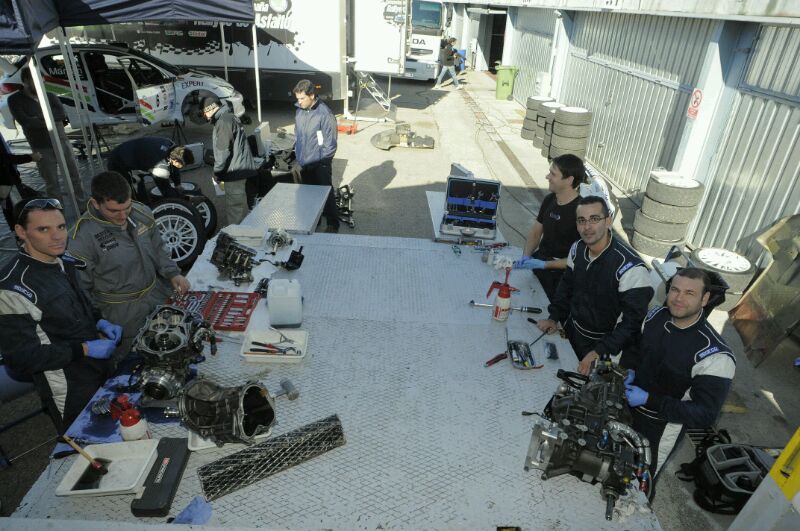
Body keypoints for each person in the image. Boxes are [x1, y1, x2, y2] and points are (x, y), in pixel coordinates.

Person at [0, 198, 121, 432]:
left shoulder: (63, 260)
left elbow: (81, 301)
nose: (57, 237)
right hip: (69, 389)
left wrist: (99, 321)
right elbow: (21, 358)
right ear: (21, 232)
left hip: (101, 369)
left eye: (61, 227)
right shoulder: (11, 289)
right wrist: (84, 349)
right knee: (88, 443)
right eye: (43, 229)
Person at [623, 267, 735, 499]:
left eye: (689, 293)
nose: (678, 298)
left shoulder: (715, 356)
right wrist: (629, 368)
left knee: (640, 486)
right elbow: (636, 346)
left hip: (661, 427)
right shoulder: (655, 316)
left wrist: (649, 399)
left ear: (705, 299)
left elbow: (705, 414)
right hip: (626, 408)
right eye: (675, 289)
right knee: (614, 462)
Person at [69, 171, 190, 365]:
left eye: (127, 207)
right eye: (114, 211)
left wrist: (173, 273)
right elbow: (81, 291)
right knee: (133, 363)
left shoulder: (141, 213)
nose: (123, 216)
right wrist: (97, 325)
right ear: (95, 203)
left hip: (157, 297)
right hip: (121, 316)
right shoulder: (80, 239)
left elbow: (158, 247)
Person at [536, 196, 653, 375]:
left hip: (606, 347)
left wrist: (599, 351)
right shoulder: (577, 248)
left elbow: (632, 324)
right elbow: (566, 285)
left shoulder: (631, 269)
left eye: (594, 219)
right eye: (581, 220)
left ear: (608, 221)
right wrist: (554, 317)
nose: (587, 227)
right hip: (573, 331)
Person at [8, 68, 87, 207]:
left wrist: (38, 118)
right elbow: (26, 122)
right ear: (26, 81)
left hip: (62, 142)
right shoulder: (15, 99)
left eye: (42, 80)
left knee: (75, 176)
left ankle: (82, 206)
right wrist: (49, 120)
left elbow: (61, 114)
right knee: (52, 182)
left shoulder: (50, 96)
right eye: (36, 81)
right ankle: (57, 210)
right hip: (41, 146)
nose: (40, 84)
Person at [513, 154, 584, 301]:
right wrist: (526, 256)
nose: (547, 177)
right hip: (540, 263)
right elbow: (535, 233)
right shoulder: (550, 199)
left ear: (569, 180)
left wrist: (546, 265)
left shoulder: (582, 212)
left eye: (553, 174)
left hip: (561, 277)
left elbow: (582, 258)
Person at [202, 95, 257, 225]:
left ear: (210, 109)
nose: (204, 117)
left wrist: (217, 172)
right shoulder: (230, 116)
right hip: (242, 168)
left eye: (204, 113)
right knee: (241, 205)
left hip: (234, 172)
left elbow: (223, 151)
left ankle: (235, 234)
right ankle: (245, 229)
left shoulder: (223, 122)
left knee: (235, 209)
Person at [293, 79, 339, 232]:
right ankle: (314, 220)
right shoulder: (300, 110)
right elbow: (298, 134)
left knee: (325, 193)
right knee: (309, 194)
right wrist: (299, 154)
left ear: (311, 95)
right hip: (304, 161)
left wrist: (323, 162)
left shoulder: (324, 114)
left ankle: (333, 223)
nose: (299, 102)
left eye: (302, 98)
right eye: (298, 98)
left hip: (320, 163)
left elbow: (330, 142)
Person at [106, 136, 194, 199]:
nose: (182, 167)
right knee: (132, 192)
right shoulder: (159, 164)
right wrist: (183, 198)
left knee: (141, 188)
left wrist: (177, 184)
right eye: (182, 165)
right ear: (175, 160)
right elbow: (165, 188)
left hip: (137, 156)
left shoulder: (173, 148)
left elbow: (173, 168)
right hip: (119, 162)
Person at [1, 132, 42, 231]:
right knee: (18, 211)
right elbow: (4, 158)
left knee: (12, 209)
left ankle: (21, 234)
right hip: (7, 183)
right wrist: (30, 157)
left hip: (8, 182)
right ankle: (23, 236)